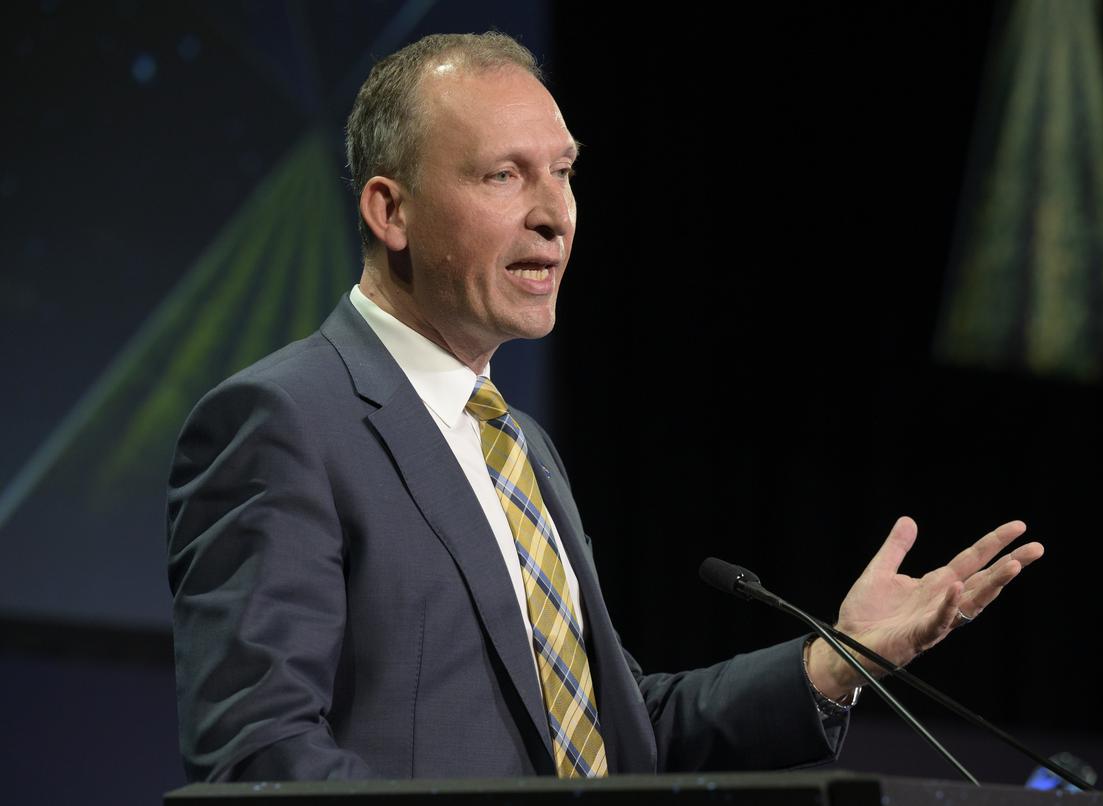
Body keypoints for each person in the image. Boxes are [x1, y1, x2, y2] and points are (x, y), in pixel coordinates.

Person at [166, 31, 1043, 783]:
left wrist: (836, 663)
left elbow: (619, 735)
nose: (557, 216)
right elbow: (259, 762)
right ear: (390, 210)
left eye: (564, 173)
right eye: (504, 175)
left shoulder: (519, 446)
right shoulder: (284, 423)